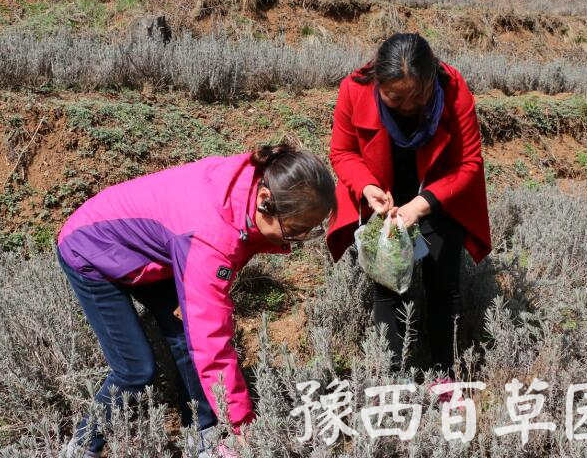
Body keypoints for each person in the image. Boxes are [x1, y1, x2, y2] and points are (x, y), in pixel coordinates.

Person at [57, 145, 336, 458]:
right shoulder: (209, 236)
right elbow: (212, 342)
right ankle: (82, 446)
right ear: (265, 201)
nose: (294, 241)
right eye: (296, 231)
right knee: (136, 370)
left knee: (181, 334)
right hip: (90, 249)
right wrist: (241, 424)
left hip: (152, 251)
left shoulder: (255, 184)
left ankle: (202, 434)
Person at [326, 33, 491, 376]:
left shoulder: (454, 90)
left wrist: (423, 203)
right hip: (382, 200)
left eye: (418, 96)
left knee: (443, 286)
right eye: (394, 98)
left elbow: (470, 162)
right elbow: (342, 152)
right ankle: (392, 375)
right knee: (387, 287)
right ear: (377, 82)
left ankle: (446, 372)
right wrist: (367, 187)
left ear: (432, 76)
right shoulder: (354, 90)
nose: (408, 106)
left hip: (438, 197)